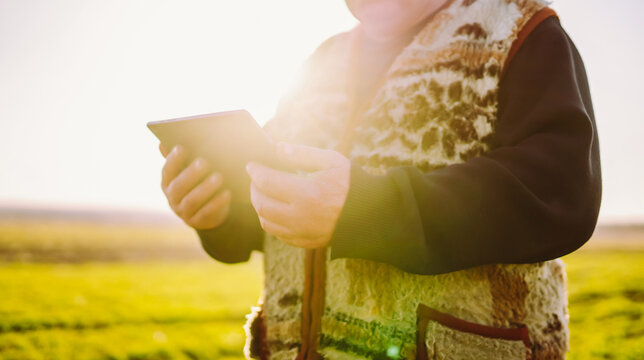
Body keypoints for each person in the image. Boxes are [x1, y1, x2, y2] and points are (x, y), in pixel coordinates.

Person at [158, 0, 601, 358]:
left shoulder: (521, 31)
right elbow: (284, 199)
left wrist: (366, 209)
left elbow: (559, 193)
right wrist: (222, 215)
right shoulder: (321, 62)